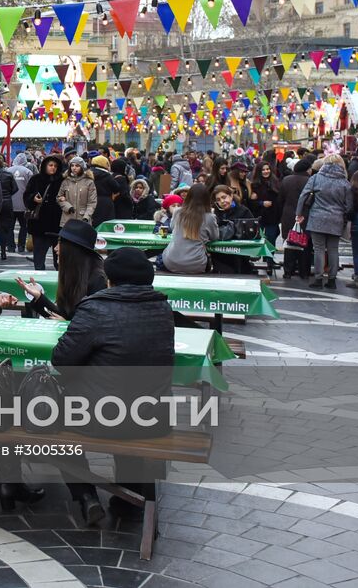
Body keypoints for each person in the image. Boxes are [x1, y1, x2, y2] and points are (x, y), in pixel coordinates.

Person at [52, 247, 175, 524]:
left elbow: (62, 360)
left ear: (110, 279)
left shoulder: (95, 309)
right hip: (153, 416)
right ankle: (128, 496)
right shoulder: (163, 309)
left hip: (100, 417)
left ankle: (86, 495)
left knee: (46, 417)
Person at [16, 219, 107, 320]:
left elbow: (94, 322)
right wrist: (38, 296)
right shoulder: (72, 274)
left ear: (72, 250)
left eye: (60, 243)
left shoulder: (98, 279)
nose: (55, 248)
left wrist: (69, 323)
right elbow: (61, 315)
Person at [298, 153, 353, 290]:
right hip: (336, 219)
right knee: (334, 250)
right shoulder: (345, 183)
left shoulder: (316, 178)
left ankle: (318, 278)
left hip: (317, 217)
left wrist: (299, 213)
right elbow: (349, 205)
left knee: (319, 249)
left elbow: (303, 195)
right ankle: (332, 279)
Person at [161, 184, 218, 275]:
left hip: (171, 262)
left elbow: (172, 227)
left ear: (189, 197)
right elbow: (215, 237)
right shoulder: (210, 217)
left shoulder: (177, 212)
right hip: (196, 265)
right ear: (207, 199)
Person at [24, 155, 65, 271]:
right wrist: (33, 199)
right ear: (45, 166)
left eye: (56, 166)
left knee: (59, 260)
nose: (53, 168)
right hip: (39, 224)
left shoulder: (62, 180)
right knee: (39, 259)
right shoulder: (36, 179)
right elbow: (26, 195)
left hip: (57, 224)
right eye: (50, 165)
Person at [279, 155, 316, 280]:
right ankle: (303, 271)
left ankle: (288, 271)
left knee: (290, 243)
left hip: (289, 215)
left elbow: (281, 199)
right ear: (307, 169)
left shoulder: (286, 180)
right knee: (305, 244)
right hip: (305, 215)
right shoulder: (311, 180)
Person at [209, 183, 254, 274]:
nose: (222, 201)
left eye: (224, 197)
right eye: (218, 199)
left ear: (231, 196)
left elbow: (252, 230)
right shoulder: (214, 213)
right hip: (219, 255)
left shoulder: (243, 211)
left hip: (240, 254)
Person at [250, 160, 283, 268]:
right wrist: (261, 203)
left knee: (272, 237)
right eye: (263, 169)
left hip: (273, 215)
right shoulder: (254, 184)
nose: (266, 171)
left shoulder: (275, 181)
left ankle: (269, 259)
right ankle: (266, 260)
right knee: (263, 238)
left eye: (267, 169)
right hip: (260, 215)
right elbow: (251, 202)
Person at [56, 156, 98, 226]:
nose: (74, 168)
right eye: (72, 165)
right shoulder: (66, 181)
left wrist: (86, 216)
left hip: (83, 219)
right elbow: (59, 197)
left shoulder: (89, 182)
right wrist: (68, 207)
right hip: (68, 219)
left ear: (82, 167)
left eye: (77, 166)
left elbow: (92, 202)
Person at [0, 155, 16, 260]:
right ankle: (3, 251)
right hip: (7, 202)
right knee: (5, 228)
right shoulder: (8, 174)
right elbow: (15, 188)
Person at [9, 153, 34, 253]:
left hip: (11, 203)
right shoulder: (28, 172)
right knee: (24, 226)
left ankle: (10, 246)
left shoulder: (8, 171)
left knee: (10, 226)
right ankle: (21, 246)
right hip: (24, 204)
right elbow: (31, 188)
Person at [90, 155, 120, 224]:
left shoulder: (88, 174)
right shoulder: (106, 175)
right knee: (106, 224)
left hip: (91, 201)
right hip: (105, 202)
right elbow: (116, 187)